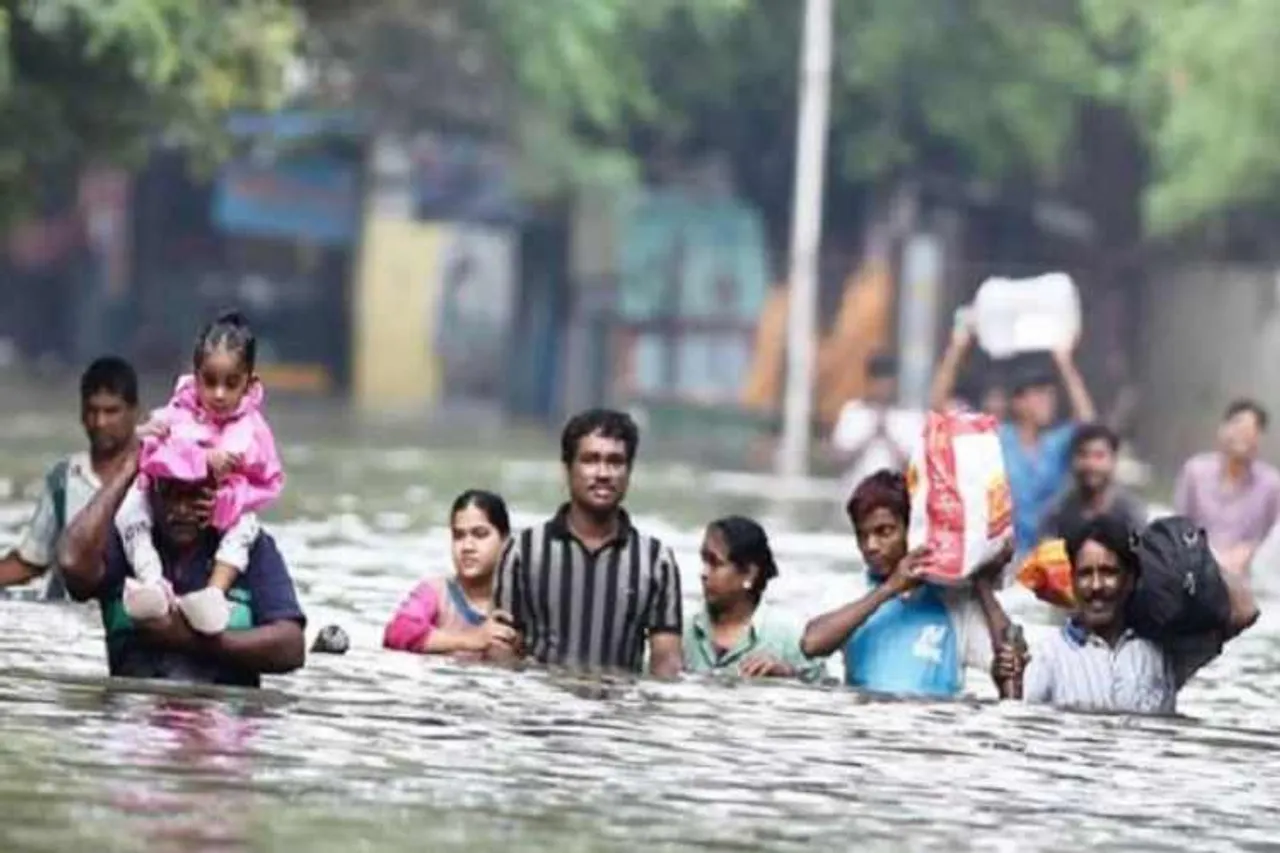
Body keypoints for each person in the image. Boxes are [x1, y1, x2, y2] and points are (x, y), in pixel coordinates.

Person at [55, 444, 306, 687]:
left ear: (216, 492)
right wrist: (127, 470)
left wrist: (189, 639)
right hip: (136, 719)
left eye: (195, 494)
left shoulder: (249, 545)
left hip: (222, 723)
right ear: (150, 492)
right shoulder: (125, 539)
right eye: (170, 494)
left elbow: (291, 647)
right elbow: (71, 563)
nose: (182, 509)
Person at [116, 311, 284, 635]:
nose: (219, 394)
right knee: (129, 511)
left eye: (231, 383)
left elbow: (267, 484)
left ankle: (214, 594)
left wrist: (227, 500)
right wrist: (202, 459)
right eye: (210, 381)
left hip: (222, 510)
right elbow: (153, 457)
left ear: (249, 382)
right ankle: (152, 583)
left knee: (246, 526)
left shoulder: (253, 432)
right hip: (163, 502)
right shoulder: (178, 413)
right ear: (195, 377)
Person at [996, 515, 1258, 714]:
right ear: (1072, 582)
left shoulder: (1163, 652)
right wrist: (1009, 685)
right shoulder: (1048, 657)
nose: (1096, 585)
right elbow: (1020, 723)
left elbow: (1246, 611)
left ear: (1131, 579)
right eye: (1086, 574)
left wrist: (1194, 554)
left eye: (1109, 572)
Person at [489, 409, 683, 676]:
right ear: (567, 469)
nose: (603, 473)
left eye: (615, 462)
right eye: (590, 460)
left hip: (618, 712)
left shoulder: (656, 560)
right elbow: (503, 651)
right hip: (539, 710)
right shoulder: (523, 551)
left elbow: (666, 663)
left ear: (629, 471)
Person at [800, 470, 1018, 699]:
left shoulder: (953, 601)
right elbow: (811, 644)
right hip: (865, 727)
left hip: (933, 728)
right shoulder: (849, 593)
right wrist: (889, 589)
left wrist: (982, 582)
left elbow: (1014, 666)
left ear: (913, 530)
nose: (871, 546)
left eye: (884, 532)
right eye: (862, 535)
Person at [931, 322, 1096, 554]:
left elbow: (1087, 424)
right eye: (1039, 396)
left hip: (1045, 556)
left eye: (1050, 396)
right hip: (998, 556)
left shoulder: (1054, 445)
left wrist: (1065, 363)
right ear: (1019, 402)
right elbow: (941, 409)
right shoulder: (996, 437)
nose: (1048, 403)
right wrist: (957, 348)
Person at [0, 357, 141, 599]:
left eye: (111, 411)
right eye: (92, 411)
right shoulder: (64, 477)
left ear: (134, 411)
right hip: (66, 618)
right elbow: (32, 560)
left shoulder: (157, 471)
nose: (100, 422)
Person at [683, 516, 823, 681]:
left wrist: (787, 675)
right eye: (704, 561)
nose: (704, 573)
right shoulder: (681, 631)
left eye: (715, 564)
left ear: (749, 573)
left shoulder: (788, 637)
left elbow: (824, 688)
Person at [384, 489, 518, 657]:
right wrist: (472, 640)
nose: (467, 547)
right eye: (459, 536)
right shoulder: (436, 592)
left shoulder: (523, 599)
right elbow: (397, 632)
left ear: (505, 541)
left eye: (480, 534)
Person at [1174, 400, 1280, 576]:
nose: (1243, 438)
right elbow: (1178, 527)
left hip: (1246, 579)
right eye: (1238, 428)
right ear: (1222, 429)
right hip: (1195, 570)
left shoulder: (1271, 486)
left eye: (1251, 432)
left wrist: (1250, 552)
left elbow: (1273, 540)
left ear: (1259, 439)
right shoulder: (1195, 472)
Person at [1038, 423, 1147, 544]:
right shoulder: (1057, 514)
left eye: (1099, 456)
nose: (1091, 464)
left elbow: (1142, 556)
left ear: (1113, 461)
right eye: (1083, 455)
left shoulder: (1130, 515)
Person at [829, 353, 923, 489]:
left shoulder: (908, 416)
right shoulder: (854, 412)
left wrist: (887, 436)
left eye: (887, 382)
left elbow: (915, 468)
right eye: (878, 381)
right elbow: (839, 461)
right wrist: (869, 437)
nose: (883, 388)